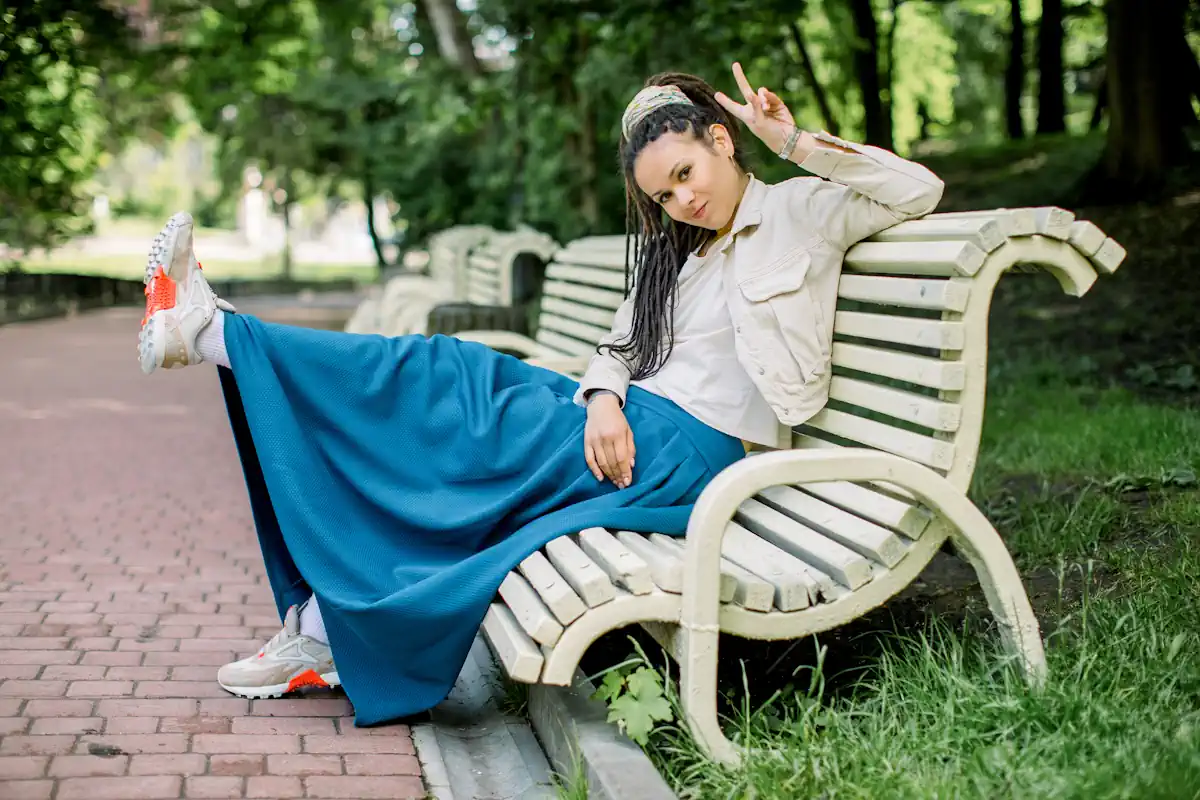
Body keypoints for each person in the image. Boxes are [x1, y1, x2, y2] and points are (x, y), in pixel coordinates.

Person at [136, 63, 943, 725]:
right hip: (634, 428)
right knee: (451, 368)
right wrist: (601, 400)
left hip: (696, 454)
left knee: (455, 395)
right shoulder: (677, 257)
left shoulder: (800, 212)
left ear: (724, 142)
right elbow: (617, 349)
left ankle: (219, 336)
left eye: (687, 175)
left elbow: (916, 190)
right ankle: (321, 625)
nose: (684, 201)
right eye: (664, 195)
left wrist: (795, 140)